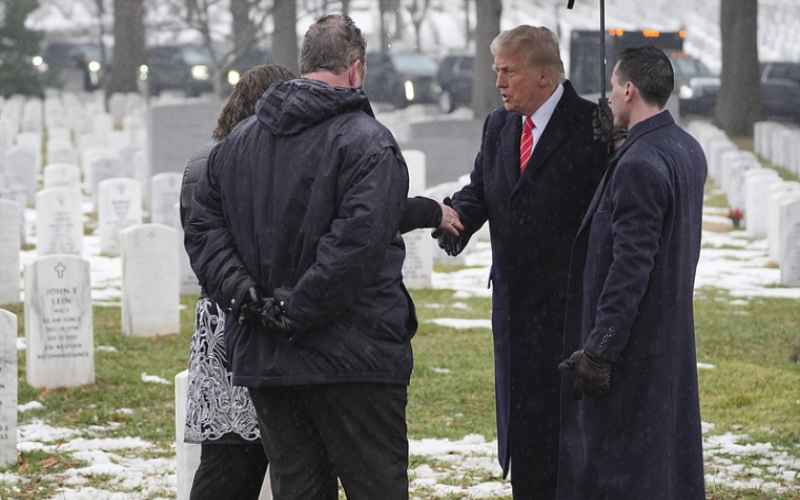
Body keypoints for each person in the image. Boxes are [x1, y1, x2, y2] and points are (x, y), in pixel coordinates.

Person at [184, 14, 451, 500]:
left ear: (305, 64)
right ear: (356, 69)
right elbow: (357, 248)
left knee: (299, 488)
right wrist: (292, 309)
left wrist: (249, 298)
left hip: (271, 357)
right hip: (355, 359)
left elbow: (204, 233)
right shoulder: (369, 143)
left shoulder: (235, 146)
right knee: (376, 487)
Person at [434, 25, 608, 499]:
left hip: (568, 314)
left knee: (567, 443)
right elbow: (484, 188)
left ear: (545, 78)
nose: (499, 83)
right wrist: (456, 220)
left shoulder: (593, 127)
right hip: (513, 314)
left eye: (508, 72)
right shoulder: (501, 125)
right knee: (525, 437)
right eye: (496, 71)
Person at [557, 46, 706, 499]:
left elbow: (631, 267)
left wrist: (600, 349)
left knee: (626, 474)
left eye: (611, 88)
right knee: (663, 469)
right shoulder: (685, 147)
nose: (606, 99)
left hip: (633, 348)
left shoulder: (640, 165)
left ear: (628, 89)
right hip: (668, 336)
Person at [180, 64, 297, 500]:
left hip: (219, 320)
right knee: (277, 461)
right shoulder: (240, 165)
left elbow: (202, 251)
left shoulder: (202, 163)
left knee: (226, 465)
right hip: (259, 317)